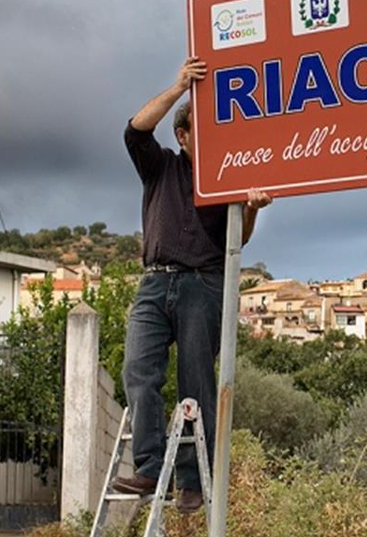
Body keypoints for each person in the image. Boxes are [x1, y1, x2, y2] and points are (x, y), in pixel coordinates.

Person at [112, 56, 271, 513]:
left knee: (196, 382)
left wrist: (252, 207)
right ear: (182, 136)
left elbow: (237, 239)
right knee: (138, 371)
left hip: (204, 284)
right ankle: (148, 467)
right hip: (154, 283)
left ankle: (192, 479)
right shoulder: (160, 166)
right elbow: (135, 130)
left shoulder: (229, 177)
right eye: (203, 131)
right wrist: (180, 87)